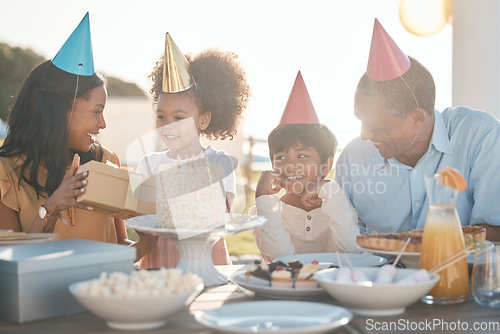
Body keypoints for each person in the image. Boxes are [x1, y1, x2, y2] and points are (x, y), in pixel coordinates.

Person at [0, 13, 156, 261]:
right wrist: (50, 208)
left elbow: (118, 246)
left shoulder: (106, 163)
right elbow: (9, 262)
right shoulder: (6, 174)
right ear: (61, 110)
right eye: (97, 111)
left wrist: (146, 243)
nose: (102, 124)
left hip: (102, 297)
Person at [335, 19, 500, 241]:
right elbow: (343, 238)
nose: (364, 135)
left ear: (417, 118)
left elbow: (495, 230)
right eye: (361, 121)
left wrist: (422, 244)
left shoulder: (481, 135)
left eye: (376, 127)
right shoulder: (352, 158)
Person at [136, 33, 250, 269]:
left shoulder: (219, 162)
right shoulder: (148, 164)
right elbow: (139, 215)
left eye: (179, 117)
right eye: (161, 116)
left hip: (207, 266)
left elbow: (219, 212)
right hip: (158, 267)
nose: (168, 125)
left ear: (204, 120)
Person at [250, 71, 359, 263]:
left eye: (302, 156)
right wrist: (263, 199)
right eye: (281, 157)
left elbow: (353, 252)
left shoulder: (338, 205)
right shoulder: (266, 212)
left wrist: (328, 189)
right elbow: (278, 259)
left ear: (326, 165)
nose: (291, 166)